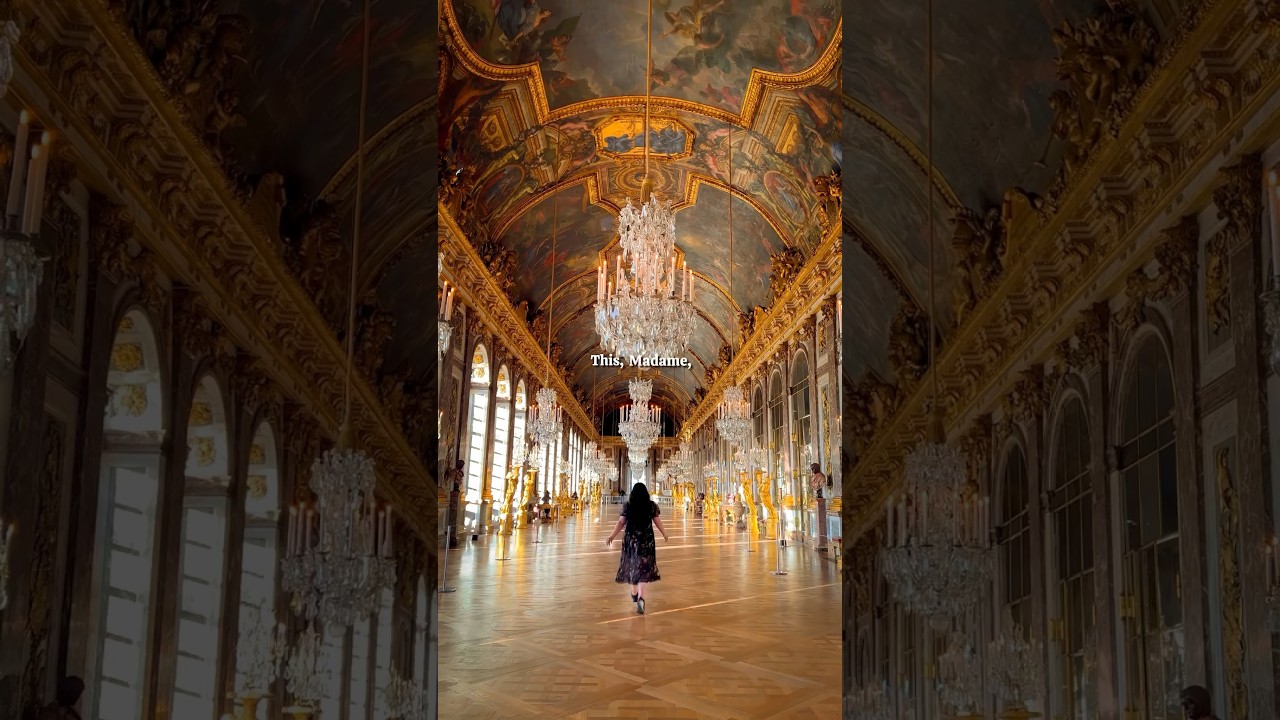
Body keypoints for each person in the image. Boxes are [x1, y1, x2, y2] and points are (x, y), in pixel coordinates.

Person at [606, 482, 668, 614]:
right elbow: (657, 521)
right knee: (644, 568)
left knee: (632, 565)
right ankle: (641, 597)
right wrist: (664, 533)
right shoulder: (651, 506)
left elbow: (621, 522)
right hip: (647, 541)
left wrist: (612, 536)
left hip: (631, 540)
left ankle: (634, 593)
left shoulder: (628, 506)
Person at [446, 460, 464, 548]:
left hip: (456, 493)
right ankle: (451, 536)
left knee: (455, 515)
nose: (462, 466)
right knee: (453, 514)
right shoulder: (453, 472)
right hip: (453, 493)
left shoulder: (460, 472)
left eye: (462, 465)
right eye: (461, 464)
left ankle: (453, 535)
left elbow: (459, 481)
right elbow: (453, 480)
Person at [811, 463, 829, 549]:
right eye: (812, 469)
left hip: (820, 500)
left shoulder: (822, 477)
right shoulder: (813, 477)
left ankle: (822, 542)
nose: (813, 470)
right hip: (818, 499)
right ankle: (819, 542)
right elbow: (814, 486)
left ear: (817, 468)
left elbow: (821, 484)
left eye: (814, 468)